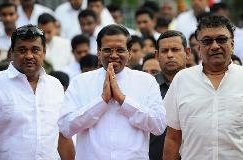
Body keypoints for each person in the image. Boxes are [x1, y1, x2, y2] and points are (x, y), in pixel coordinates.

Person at [58, 24, 166, 160]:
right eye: (107, 50)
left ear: (129, 52)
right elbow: (66, 128)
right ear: (98, 52)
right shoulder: (80, 82)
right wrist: (101, 101)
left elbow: (159, 126)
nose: (114, 55)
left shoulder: (146, 81)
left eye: (120, 50)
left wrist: (124, 101)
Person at [163, 15, 243, 160]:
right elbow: (173, 138)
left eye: (221, 39)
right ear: (199, 48)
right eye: (207, 41)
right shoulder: (182, 80)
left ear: (232, 44)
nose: (214, 46)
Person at [0, 24, 74, 160]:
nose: (29, 56)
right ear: (11, 53)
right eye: (22, 50)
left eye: (35, 50)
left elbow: (63, 135)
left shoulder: (55, 86)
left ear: (44, 52)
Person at [149, 30, 189, 160]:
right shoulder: (148, 87)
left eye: (175, 49)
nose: (170, 55)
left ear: (187, 52)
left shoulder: (202, 84)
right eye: (165, 51)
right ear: (157, 55)